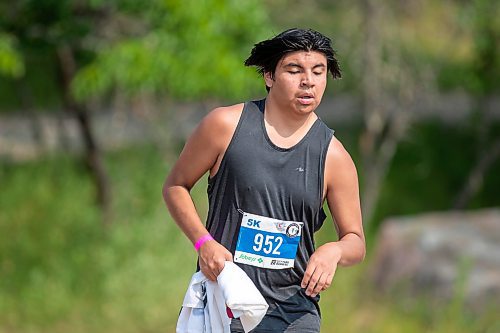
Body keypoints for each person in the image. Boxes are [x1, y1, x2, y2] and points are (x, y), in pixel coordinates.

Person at [163, 28, 365, 333]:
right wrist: (203, 243)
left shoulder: (334, 157)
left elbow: (356, 241)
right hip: (223, 305)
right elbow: (175, 186)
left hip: (294, 315)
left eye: (318, 71)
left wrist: (332, 251)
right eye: (294, 70)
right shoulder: (225, 126)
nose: (308, 81)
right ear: (269, 76)